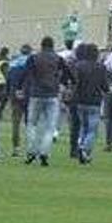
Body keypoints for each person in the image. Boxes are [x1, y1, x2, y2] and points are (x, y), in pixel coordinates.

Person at [23, 36, 67, 167]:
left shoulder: (33, 58)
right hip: (52, 94)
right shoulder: (58, 59)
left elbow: (26, 74)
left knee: (32, 124)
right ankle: (44, 152)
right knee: (50, 126)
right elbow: (68, 73)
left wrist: (22, 88)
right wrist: (62, 82)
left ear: (41, 46)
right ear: (52, 46)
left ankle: (31, 151)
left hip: (36, 94)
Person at [71, 43, 109, 164]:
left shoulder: (79, 66)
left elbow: (75, 83)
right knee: (92, 129)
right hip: (94, 101)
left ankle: (80, 146)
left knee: (83, 126)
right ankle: (84, 149)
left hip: (80, 100)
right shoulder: (101, 67)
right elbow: (104, 85)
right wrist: (108, 90)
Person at [6, 45, 32, 157]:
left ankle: (16, 148)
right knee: (30, 123)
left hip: (14, 95)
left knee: (16, 123)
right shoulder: (31, 62)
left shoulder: (13, 63)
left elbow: (8, 80)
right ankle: (30, 148)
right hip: (28, 95)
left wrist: (8, 94)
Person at [0, 47, 11, 119]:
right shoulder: (5, 62)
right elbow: (6, 73)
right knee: (3, 98)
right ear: (7, 53)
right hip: (2, 83)